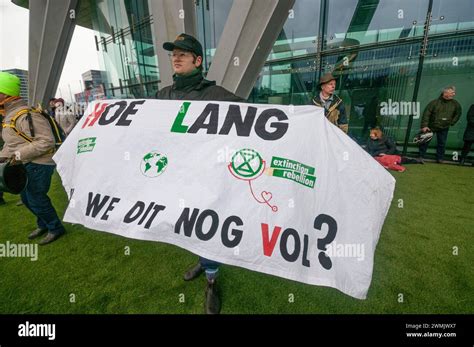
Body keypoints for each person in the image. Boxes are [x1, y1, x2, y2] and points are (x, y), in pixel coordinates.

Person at [155, 33, 243, 314]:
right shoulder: (162, 95)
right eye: (173, 54)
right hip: (175, 177)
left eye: (183, 53)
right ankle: (203, 260)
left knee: (206, 226)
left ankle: (212, 279)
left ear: (198, 60)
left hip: (207, 178)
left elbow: (255, 118)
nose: (176, 57)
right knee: (186, 225)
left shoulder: (216, 94)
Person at [0, 72, 66, 245]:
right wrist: (3, 156)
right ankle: (43, 224)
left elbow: (46, 141)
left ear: (5, 94)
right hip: (24, 163)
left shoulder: (27, 115)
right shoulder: (10, 116)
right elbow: (13, 142)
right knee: (27, 199)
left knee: (36, 198)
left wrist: (16, 156)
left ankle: (55, 228)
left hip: (40, 163)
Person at [419, 86, 462, 163]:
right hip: (431, 127)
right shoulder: (434, 103)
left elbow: (458, 114)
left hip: (444, 127)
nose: (454, 94)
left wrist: (452, 122)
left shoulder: (456, 104)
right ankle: (421, 157)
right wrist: (424, 126)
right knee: (425, 141)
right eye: (452, 92)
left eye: (454, 93)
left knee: (442, 143)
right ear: (445, 93)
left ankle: (440, 158)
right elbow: (426, 114)